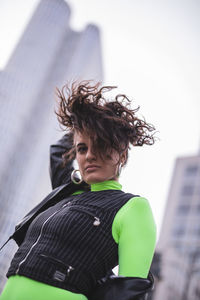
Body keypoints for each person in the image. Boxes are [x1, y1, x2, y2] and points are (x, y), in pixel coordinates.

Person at [0, 81, 158, 300]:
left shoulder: (133, 208)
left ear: (122, 155)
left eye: (101, 144)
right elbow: (58, 151)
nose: (90, 155)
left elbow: (129, 293)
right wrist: (85, 123)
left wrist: (103, 125)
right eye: (82, 148)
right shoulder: (67, 194)